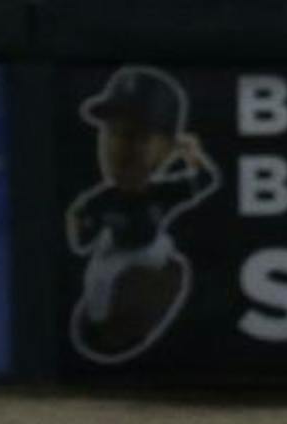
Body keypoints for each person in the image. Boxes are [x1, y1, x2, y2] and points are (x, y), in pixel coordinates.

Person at [65, 64, 222, 364]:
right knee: (99, 284)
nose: (120, 147)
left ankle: (133, 315)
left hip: (151, 247)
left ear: (166, 148)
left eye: (138, 136)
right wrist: (75, 221)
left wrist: (192, 155)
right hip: (117, 251)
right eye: (112, 132)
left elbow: (206, 180)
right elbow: (80, 238)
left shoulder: (161, 193)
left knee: (168, 262)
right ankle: (104, 327)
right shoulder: (103, 200)